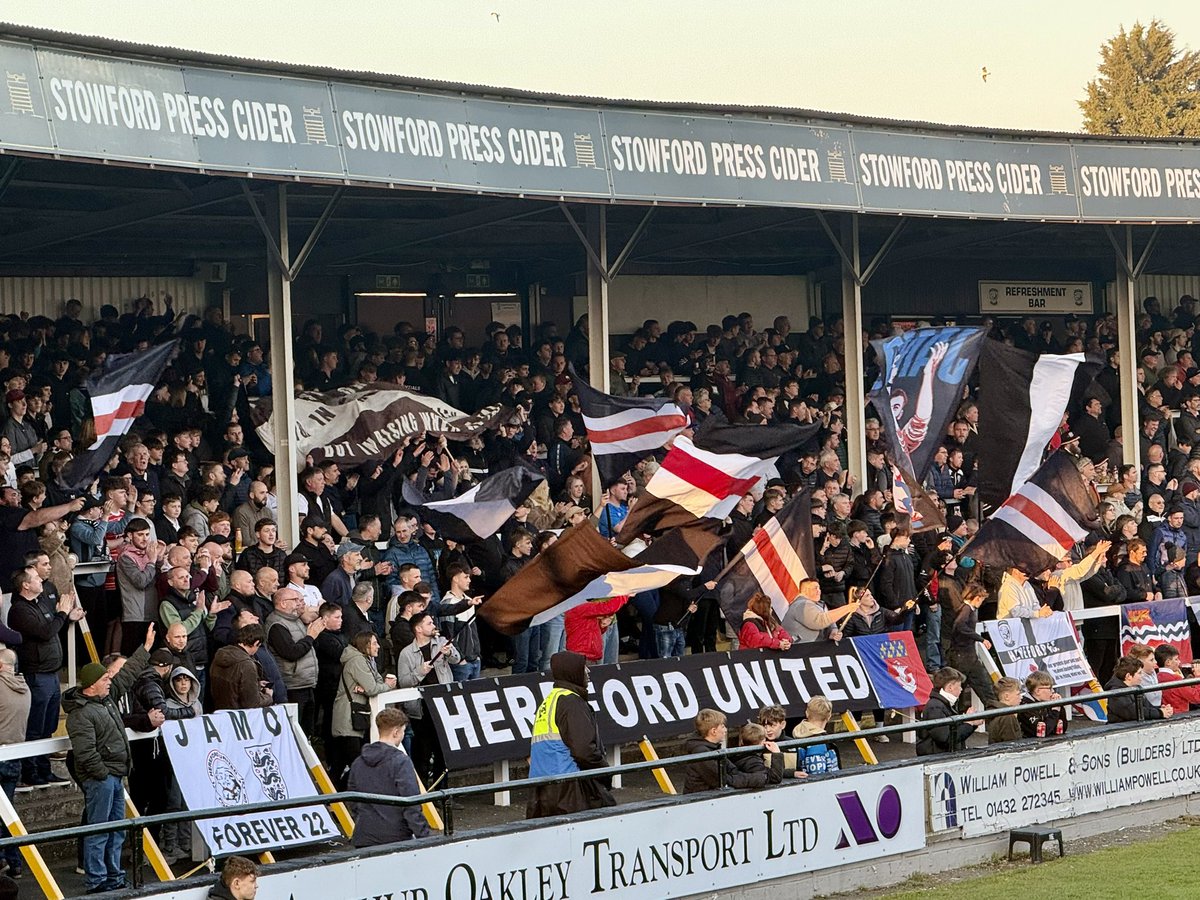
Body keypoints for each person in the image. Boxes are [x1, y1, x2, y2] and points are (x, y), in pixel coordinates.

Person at [64, 623, 154, 894]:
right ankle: (97, 880)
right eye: (105, 679)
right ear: (92, 686)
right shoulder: (81, 714)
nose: (110, 681)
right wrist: (103, 774)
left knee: (116, 831)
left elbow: (127, 674)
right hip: (102, 779)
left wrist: (145, 649)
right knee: (99, 831)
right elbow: (85, 753)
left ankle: (113, 876)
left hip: (114, 775)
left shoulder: (105, 698)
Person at [10, 566, 81, 789]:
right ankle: (30, 772)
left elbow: (53, 626)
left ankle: (45, 769)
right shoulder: (19, 610)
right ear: (25, 585)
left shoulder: (41, 602)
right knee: (35, 726)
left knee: (48, 725)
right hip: (36, 674)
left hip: (52, 673)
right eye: (35, 578)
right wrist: (62, 613)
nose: (41, 580)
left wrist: (66, 617)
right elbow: (45, 632)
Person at [526, 651, 616, 817]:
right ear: (572, 671)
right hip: (570, 790)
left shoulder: (549, 701)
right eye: (583, 667)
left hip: (542, 791)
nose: (588, 671)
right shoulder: (571, 702)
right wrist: (605, 774)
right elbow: (584, 751)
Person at [347, 708, 432, 846]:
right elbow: (411, 803)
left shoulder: (358, 762)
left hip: (364, 835)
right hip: (396, 837)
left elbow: (352, 799)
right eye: (403, 731)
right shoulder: (401, 761)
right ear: (396, 732)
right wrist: (425, 838)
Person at [394, 611, 460, 786]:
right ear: (418, 629)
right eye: (429, 623)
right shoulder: (407, 653)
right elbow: (403, 681)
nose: (433, 626)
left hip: (442, 703)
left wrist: (448, 652)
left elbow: (457, 659)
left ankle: (442, 791)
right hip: (421, 707)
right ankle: (422, 792)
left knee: (442, 750)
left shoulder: (441, 642)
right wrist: (419, 672)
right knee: (422, 751)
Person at [330, 631, 395, 790]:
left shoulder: (367, 660)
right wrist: (387, 686)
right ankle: (339, 794)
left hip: (351, 719)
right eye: (374, 643)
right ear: (365, 645)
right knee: (359, 765)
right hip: (348, 720)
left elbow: (375, 682)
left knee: (340, 764)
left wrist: (369, 688)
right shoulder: (358, 661)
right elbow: (373, 688)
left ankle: (333, 796)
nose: (378, 646)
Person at [266, 587, 324, 734]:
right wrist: (310, 636)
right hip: (293, 685)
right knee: (295, 731)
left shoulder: (296, 620)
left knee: (307, 731)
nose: (299, 603)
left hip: (307, 682)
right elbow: (291, 652)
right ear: (283, 603)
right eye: (295, 600)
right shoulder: (277, 625)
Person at [681, 709, 773, 794]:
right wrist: (755, 779)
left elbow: (732, 772)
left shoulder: (711, 747)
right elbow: (723, 780)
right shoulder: (702, 753)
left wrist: (757, 777)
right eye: (722, 726)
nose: (725, 730)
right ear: (714, 731)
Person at [945, 582, 997, 710]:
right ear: (977, 598)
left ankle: (958, 714)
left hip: (961, 655)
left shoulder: (963, 608)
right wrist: (980, 639)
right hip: (965, 656)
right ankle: (994, 710)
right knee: (984, 686)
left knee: (960, 690)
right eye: (982, 599)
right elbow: (959, 625)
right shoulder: (966, 609)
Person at [0, 648, 29, 877]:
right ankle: (14, 861)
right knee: (8, 812)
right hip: (15, 755)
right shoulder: (24, 687)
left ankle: (2, 860)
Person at [916, 667, 982, 756]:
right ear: (950, 687)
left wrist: (971, 724)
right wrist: (969, 724)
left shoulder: (944, 704)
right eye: (959, 686)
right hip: (936, 758)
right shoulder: (935, 708)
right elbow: (945, 739)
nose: (961, 689)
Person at [210, 624, 273, 710]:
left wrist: (256, 684)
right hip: (240, 714)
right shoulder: (246, 665)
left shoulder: (219, 655)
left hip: (221, 711)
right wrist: (268, 696)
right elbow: (252, 703)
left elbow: (233, 684)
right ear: (256, 643)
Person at [782, 578, 859, 642]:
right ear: (805, 590)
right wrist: (847, 608)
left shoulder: (820, 604)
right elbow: (820, 621)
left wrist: (833, 631)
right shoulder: (801, 604)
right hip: (802, 649)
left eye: (819, 588)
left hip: (816, 648)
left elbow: (829, 622)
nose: (819, 591)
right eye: (815, 588)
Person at [1106, 655, 1173, 722]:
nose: (1142, 676)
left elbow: (1147, 707)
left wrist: (1161, 709)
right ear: (1128, 676)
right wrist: (1160, 713)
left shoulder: (1136, 688)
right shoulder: (1116, 693)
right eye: (1139, 673)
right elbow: (1134, 712)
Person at [791, 696, 842, 776]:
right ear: (829, 716)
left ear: (807, 713)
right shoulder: (817, 742)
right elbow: (817, 775)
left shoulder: (797, 734)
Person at [1017, 670, 1067, 738]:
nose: (1052, 691)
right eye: (1049, 688)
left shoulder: (1046, 701)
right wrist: (1055, 711)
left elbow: (1063, 728)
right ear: (1038, 691)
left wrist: (1060, 706)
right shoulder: (1026, 707)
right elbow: (1043, 731)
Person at [1154, 644, 1200, 712]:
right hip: (1181, 714)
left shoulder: (1157, 677)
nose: (1179, 661)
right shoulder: (1175, 679)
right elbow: (1196, 697)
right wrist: (1198, 676)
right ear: (1168, 662)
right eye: (1176, 659)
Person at [987, 677, 1023, 744]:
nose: (1021, 697)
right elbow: (1012, 743)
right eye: (1018, 694)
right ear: (1006, 696)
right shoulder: (1007, 717)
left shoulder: (994, 711)